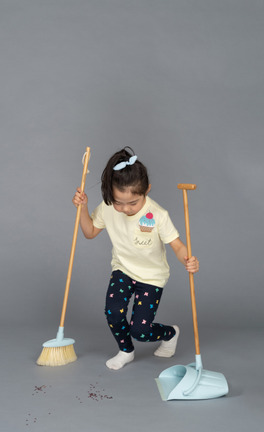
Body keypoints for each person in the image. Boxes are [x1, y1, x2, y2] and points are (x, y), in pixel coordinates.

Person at [72, 147, 199, 370]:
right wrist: (83, 208)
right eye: (119, 202)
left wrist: (187, 258)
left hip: (151, 277)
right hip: (123, 269)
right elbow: (90, 232)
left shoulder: (158, 215)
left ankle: (170, 333)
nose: (125, 209)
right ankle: (126, 350)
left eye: (133, 203)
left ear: (146, 191)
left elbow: (177, 246)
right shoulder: (109, 207)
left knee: (140, 330)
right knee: (113, 312)